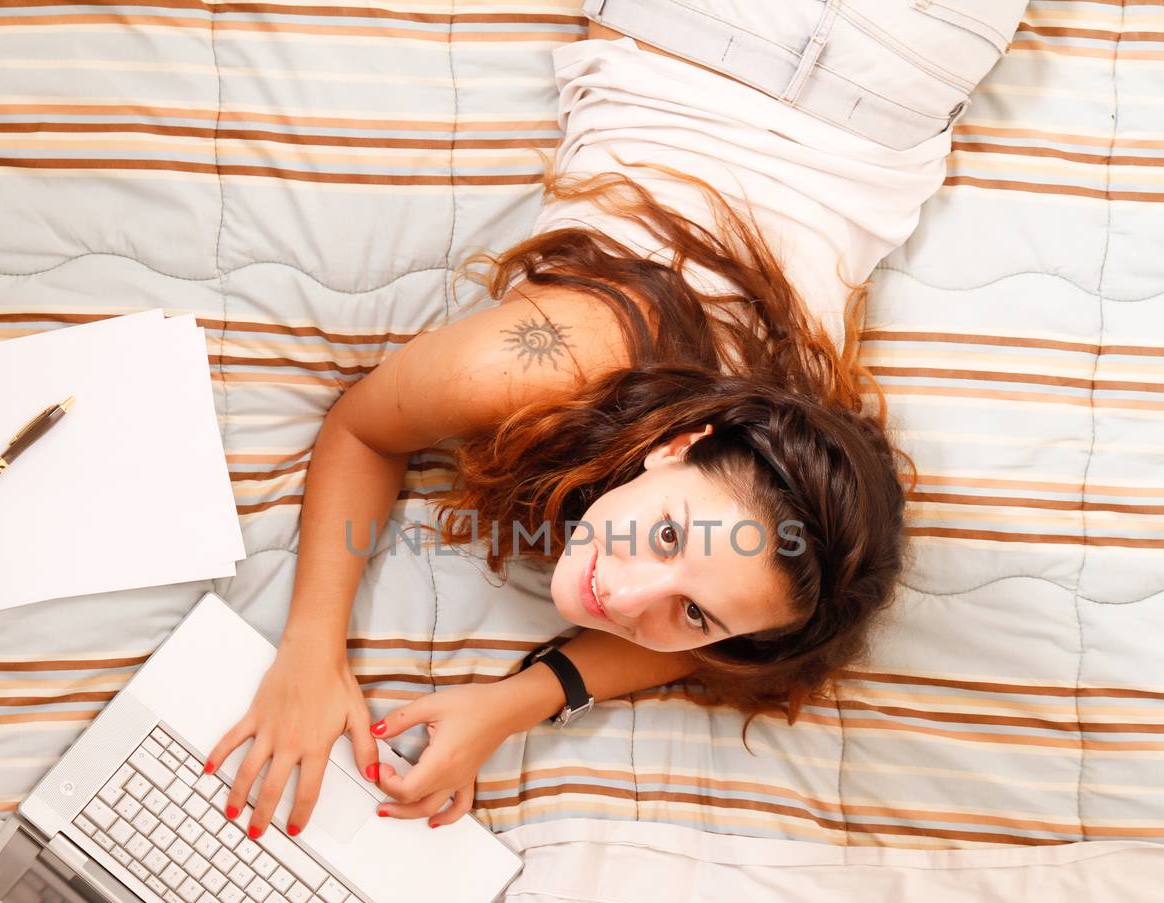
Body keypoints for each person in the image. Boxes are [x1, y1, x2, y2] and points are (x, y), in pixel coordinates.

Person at [201, 0, 1026, 838]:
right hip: (840, 59)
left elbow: (726, 638)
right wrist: (311, 643)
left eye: (692, 613)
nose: (625, 599)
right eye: (667, 537)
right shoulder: (548, 360)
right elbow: (365, 427)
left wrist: (514, 703)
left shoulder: (793, 528)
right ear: (679, 444)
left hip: (878, 86)